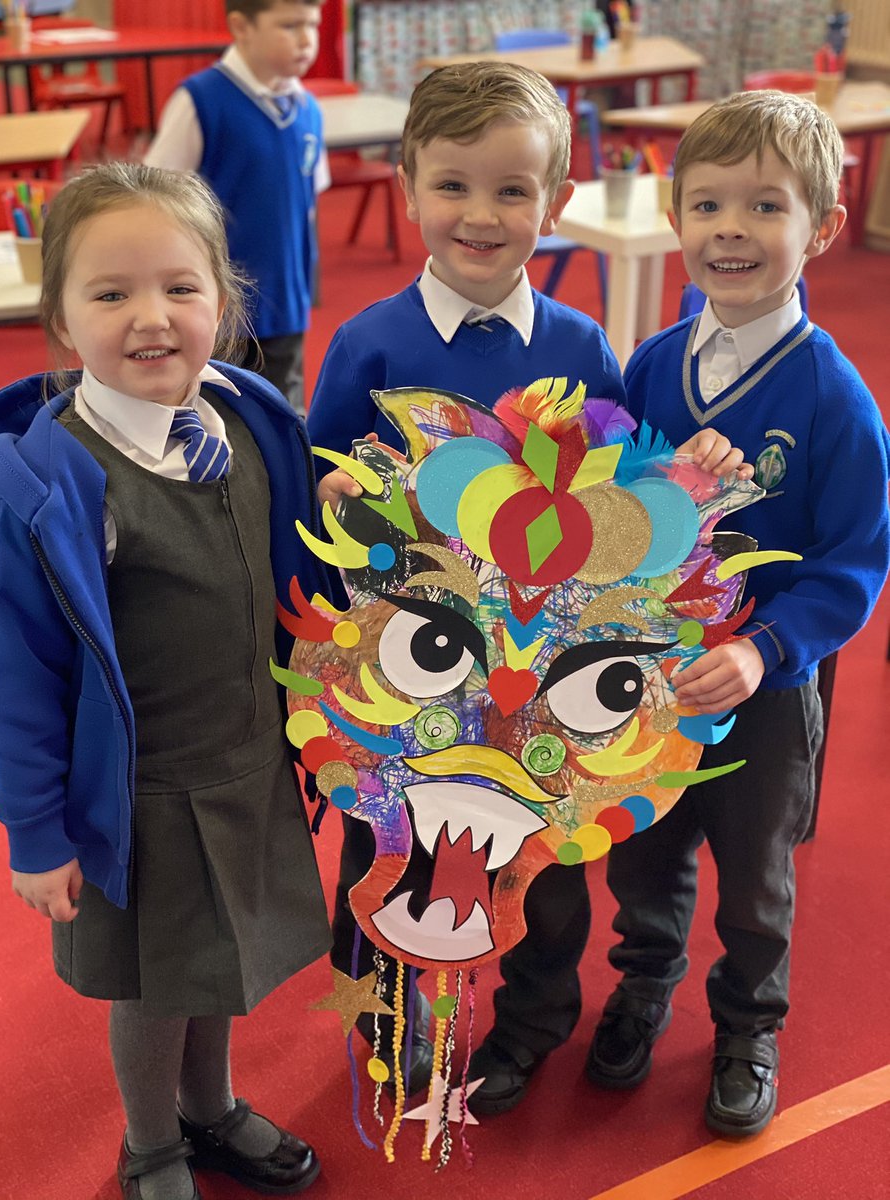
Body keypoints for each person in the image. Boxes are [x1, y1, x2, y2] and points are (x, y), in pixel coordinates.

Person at [306, 61, 745, 1110]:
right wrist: (336, 502)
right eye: (453, 185)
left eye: (513, 190)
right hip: (409, 688)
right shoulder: (370, 344)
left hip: (538, 685)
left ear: (555, 204)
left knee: (540, 868)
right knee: (388, 844)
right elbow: (317, 512)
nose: (481, 214)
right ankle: (385, 1015)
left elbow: (622, 509)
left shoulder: (582, 344)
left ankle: (530, 1024)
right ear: (409, 184)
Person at [0, 163, 339, 1200]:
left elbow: (287, 560)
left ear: (224, 303)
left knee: (223, 966)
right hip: (141, 796)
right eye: (110, 294)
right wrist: (37, 832)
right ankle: (152, 1144)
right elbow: (17, 676)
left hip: (249, 761)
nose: (152, 318)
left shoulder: (250, 419)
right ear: (58, 317)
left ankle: (211, 1109)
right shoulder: (51, 483)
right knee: (152, 986)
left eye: (181, 288)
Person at [577, 90, 889, 1137]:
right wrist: (656, 478)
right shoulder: (652, 366)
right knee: (645, 853)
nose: (731, 231)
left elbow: (851, 568)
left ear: (823, 229)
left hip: (760, 694)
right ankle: (643, 984)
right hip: (650, 680)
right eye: (708, 205)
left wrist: (763, 653)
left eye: (764, 207)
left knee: (756, 881)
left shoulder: (834, 400)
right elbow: (616, 514)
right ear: (676, 219)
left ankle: (749, 1024)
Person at [146, 0, 328, 417]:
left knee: (283, 415)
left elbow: (307, 208)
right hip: (218, 307)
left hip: (285, 301)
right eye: (289, 25)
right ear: (241, 27)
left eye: (312, 26)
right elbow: (153, 198)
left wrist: (305, 286)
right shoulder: (202, 101)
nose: (306, 40)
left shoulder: (309, 110)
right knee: (212, 414)